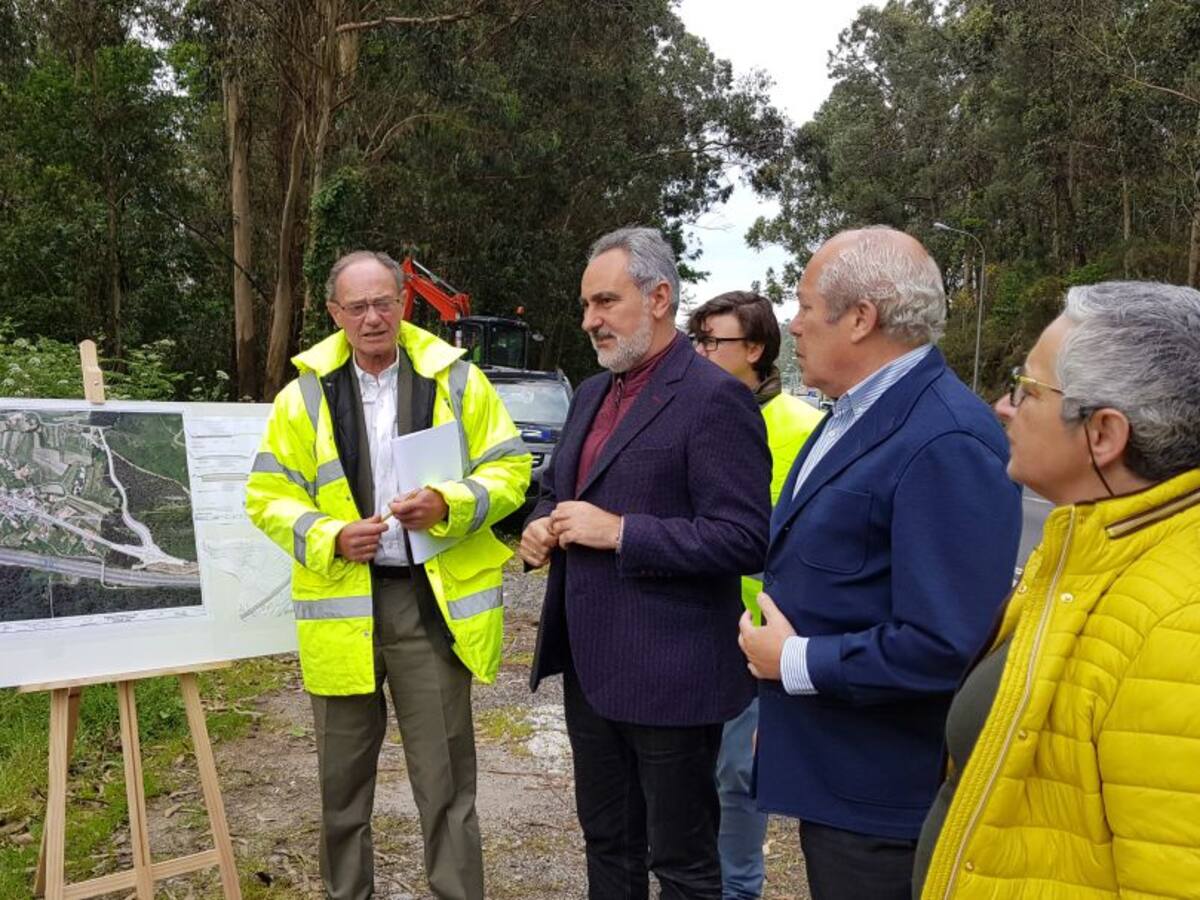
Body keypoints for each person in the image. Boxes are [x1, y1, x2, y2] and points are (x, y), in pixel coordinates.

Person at [738, 226, 1022, 900]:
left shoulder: (944, 438)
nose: (793, 324)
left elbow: (942, 644)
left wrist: (794, 662)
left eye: (805, 306)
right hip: (838, 776)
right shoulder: (852, 413)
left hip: (887, 804)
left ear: (861, 318)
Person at [245, 250, 531, 900]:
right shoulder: (303, 396)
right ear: (334, 313)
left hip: (424, 608)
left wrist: (449, 506)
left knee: (447, 784)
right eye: (357, 306)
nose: (373, 318)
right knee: (340, 790)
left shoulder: (457, 381)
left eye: (383, 302)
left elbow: (511, 471)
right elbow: (266, 494)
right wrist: (329, 536)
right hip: (342, 611)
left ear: (403, 300)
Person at [914, 281, 1200, 900]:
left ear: (1103, 433)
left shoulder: (1181, 624)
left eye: (1027, 387)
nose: (1001, 404)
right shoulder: (1086, 548)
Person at [519, 227, 771, 899]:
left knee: (682, 864)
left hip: (674, 678)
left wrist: (625, 533)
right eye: (586, 306)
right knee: (607, 843)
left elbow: (745, 538)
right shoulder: (592, 396)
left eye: (604, 302)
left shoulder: (716, 398)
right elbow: (556, 489)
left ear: (659, 297)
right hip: (590, 670)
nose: (589, 321)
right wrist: (540, 525)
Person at [687, 290, 823, 899]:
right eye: (698, 339)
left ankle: (740, 888)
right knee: (685, 769)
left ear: (755, 349)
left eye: (714, 341)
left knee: (739, 775)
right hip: (692, 620)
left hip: (757, 630)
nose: (701, 352)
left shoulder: (801, 425)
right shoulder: (690, 413)